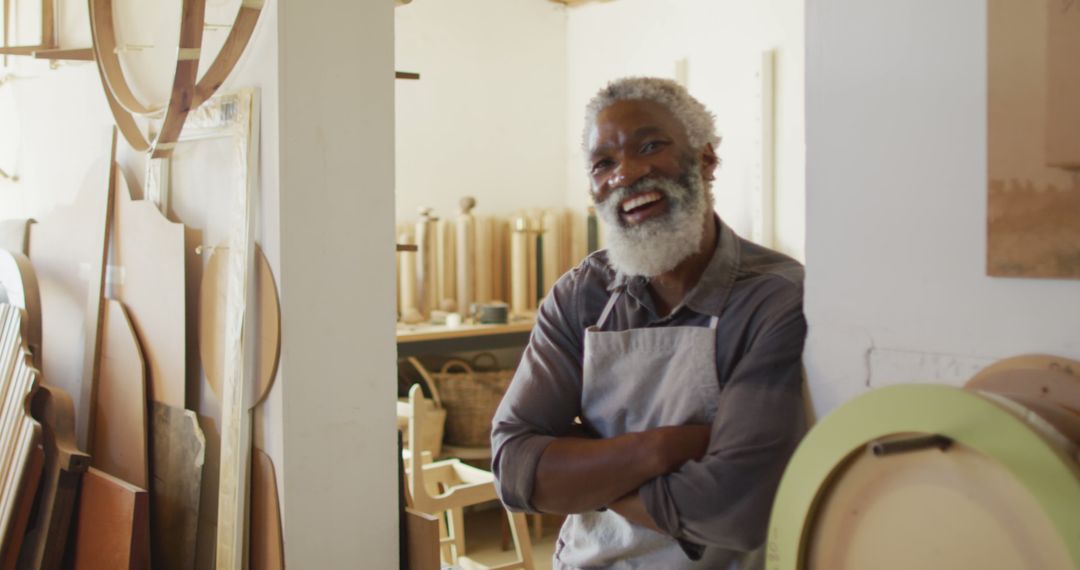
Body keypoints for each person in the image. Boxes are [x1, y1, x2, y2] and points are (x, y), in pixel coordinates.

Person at [490, 77, 808, 569]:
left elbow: (733, 508)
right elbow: (514, 470)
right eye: (604, 163)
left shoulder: (773, 298)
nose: (626, 175)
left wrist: (585, 469)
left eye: (650, 146)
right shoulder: (581, 296)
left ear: (705, 159)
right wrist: (664, 447)